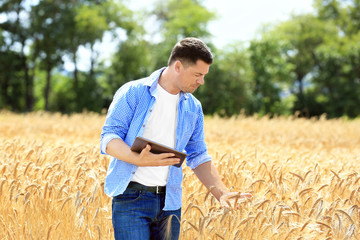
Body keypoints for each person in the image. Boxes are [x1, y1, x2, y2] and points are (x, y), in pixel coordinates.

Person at [100, 37, 252, 240]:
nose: (202, 81)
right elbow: (109, 137)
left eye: (204, 75)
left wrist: (222, 193)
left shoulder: (193, 107)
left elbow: (198, 155)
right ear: (178, 66)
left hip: (170, 202)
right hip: (131, 198)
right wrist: (136, 158)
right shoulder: (133, 92)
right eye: (198, 74)